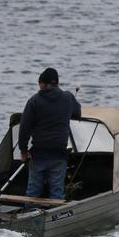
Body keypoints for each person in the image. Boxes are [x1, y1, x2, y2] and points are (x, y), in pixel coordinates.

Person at [18, 67, 81, 200]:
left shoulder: (34, 101)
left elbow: (24, 128)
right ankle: (56, 218)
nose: (38, 87)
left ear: (45, 83)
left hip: (39, 154)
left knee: (33, 192)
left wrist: (23, 151)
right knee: (57, 193)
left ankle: (30, 216)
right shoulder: (68, 98)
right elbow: (78, 113)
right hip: (59, 155)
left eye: (39, 84)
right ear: (56, 83)